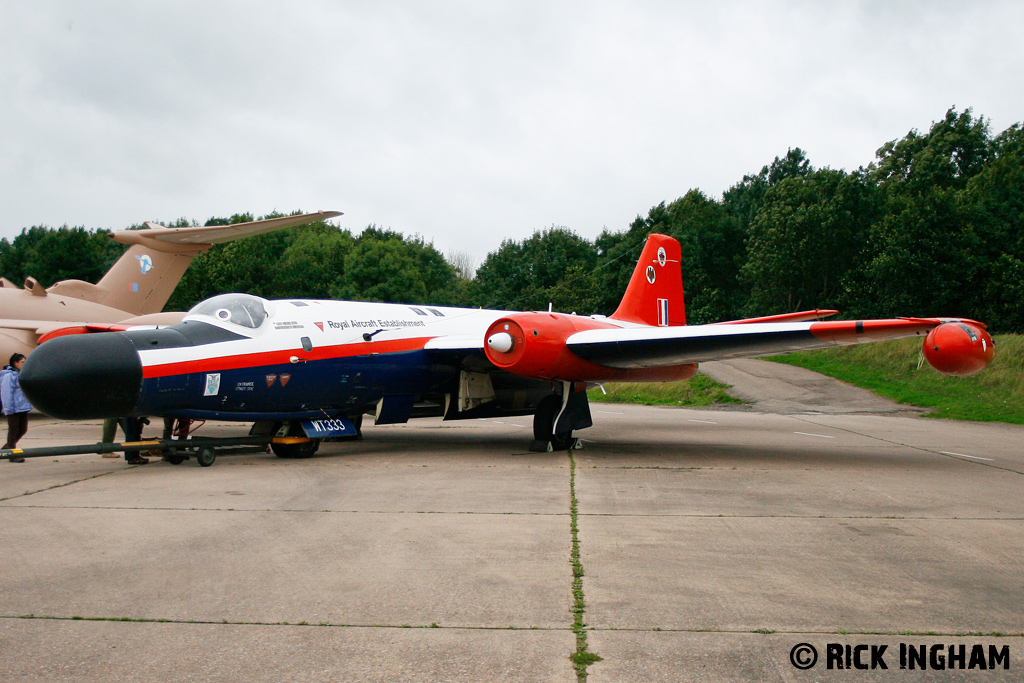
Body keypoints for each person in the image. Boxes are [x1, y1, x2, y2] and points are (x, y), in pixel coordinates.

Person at [1, 353, 32, 461]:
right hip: (14, 408)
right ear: (15, 363)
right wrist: (8, 409)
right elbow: (6, 393)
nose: (24, 364)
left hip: (22, 407)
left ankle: (6, 449)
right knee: (13, 430)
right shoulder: (9, 376)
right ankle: (12, 455)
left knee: (23, 429)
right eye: (22, 362)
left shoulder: (21, 374)